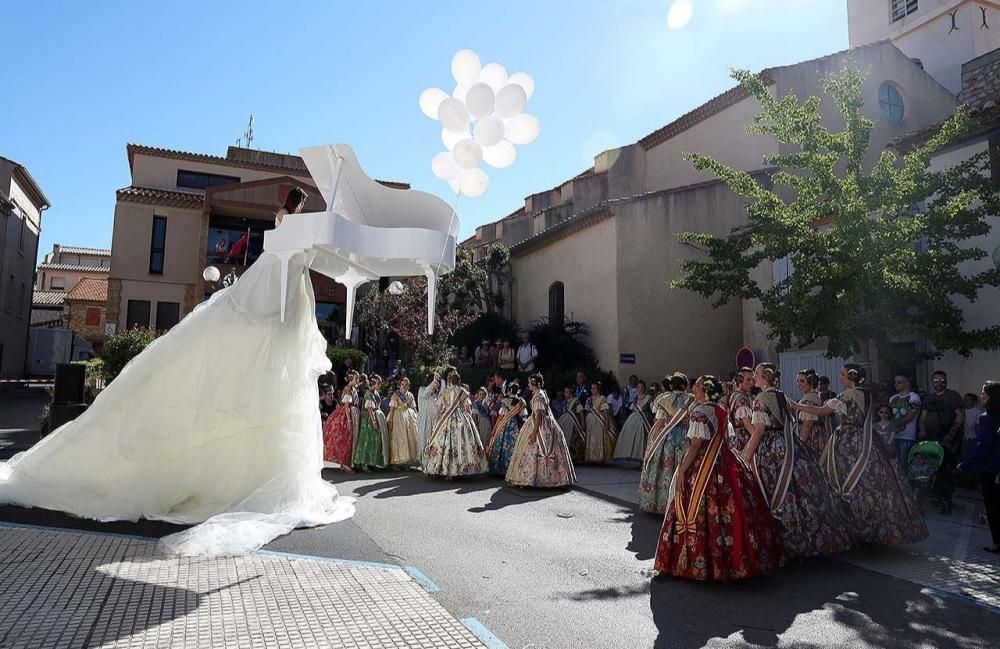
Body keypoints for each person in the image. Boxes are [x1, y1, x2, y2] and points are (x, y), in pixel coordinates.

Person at [653, 375, 783, 581]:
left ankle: (698, 561)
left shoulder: (698, 412)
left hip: (703, 465)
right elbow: (727, 438)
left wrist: (681, 470)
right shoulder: (720, 410)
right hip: (724, 461)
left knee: (699, 509)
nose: (693, 389)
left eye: (696, 387)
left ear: (705, 391)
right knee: (732, 508)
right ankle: (733, 561)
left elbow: (695, 446)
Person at [790, 364, 928, 546]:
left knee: (841, 480)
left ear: (851, 377)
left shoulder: (848, 395)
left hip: (848, 441)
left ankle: (849, 528)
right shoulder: (868, 394)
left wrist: (793, 404)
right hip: (868, 439)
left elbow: (823, 411)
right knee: (871, 483)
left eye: (843, 374)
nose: (840, 377)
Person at [743, 363, 853, 558]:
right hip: (788, 444)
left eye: (757, 374)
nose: (755, 378)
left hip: (769, 449)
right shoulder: (782, 396)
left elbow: (759, 431)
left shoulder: (761, 399)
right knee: (795, 491)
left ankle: (779, 540)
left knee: (773, 490)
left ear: (765, 377)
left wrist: (745, 456)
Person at [506, 374, 577, 488]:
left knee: (535, 449)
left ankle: (536, 478)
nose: (528, 384)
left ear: (534, 383)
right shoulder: (541, 393)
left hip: (539, 425)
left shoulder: (539, 395)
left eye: (529, 382)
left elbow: (538, 415)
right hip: (543, 423)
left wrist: (534, 433)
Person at [639, 374, 693, 514]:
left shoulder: (664, 400)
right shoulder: (691, 400)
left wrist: (652, 442)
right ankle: (683, 503)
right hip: (686, 436)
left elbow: (660, 423)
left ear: (671, 386)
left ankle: (662, 503)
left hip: (667, 437)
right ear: (685, 385)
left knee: (664, 469)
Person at [958, 381, 1000, 554]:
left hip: (991, 470)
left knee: (993, 507)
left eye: (984, 393)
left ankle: (997, 543)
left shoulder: (986, 418)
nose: (981, 396)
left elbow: (983, 444)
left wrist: (966, 464)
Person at [422, 371, 488, 477]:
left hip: (447, 418)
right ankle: (463, 468)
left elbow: (438, 410)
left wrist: (439, 417)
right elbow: (468, 408)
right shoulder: (463, 392)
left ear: (450, 380)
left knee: (445, 443)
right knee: (463, 441)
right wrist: (470, 421)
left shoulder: (444, 392)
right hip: (462, 418)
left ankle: (444, 468)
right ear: (459, 381)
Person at [919, 370, 964, 515]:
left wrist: (951, 434)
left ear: (946, 381)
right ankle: (937, 496)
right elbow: (923, 417)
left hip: (948, 440)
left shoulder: (953, 395)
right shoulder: (928, 398)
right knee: (933, 468)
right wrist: (922, 430)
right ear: (932, 382)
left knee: (944, 469)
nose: (939, 383)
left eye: (942, 380)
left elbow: (960, 415)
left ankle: (947, 499)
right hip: (931, 439)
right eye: (936, 380)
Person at [486, 382, 527, 475]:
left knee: (501, 445)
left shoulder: (505, 401)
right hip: (515, 426)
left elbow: (500, 417)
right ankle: (512, 468)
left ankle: (500, 468)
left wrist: (495, 429)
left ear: (510, 390)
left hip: (505, 424)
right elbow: (523, 416)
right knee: (514, 445)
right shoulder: (521, 402)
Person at [324, 371, 359, 471]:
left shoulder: (352, 389)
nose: (357, 380)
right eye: (356, 378)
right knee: (346, 438)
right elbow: (347, 405)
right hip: (345, 414)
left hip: (350, 412)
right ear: (351, 379)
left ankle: (346, 463)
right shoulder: (348, 389)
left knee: (348, 439)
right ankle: (344, 463)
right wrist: (348, 420)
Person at [614, 380, 652, 462]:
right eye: (639, 387)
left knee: (643, 438)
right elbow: (631, 408)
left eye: (642, 388)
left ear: (644, 388)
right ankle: (637, 457)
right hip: (634, 419)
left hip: (644, 419)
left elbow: (652, 409)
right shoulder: (635, 398)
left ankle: (644, 459)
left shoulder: (648, 398)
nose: (640, 389)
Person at [386, 377, 420, 469]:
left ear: (408, 386)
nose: (404, 386)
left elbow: (414, 407)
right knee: (399, 438)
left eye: (406, 384)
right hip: (398, 417)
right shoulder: (396, 395)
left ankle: (406, 461)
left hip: (409, 418)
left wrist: (417, 417)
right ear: (399, 385)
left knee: (409, 438)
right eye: (402, 384)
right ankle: (396, 462)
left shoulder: (410, 395)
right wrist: (390, 420)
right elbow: (392, 409)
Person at [890, 375, 921, 471]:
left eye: (899, 382)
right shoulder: (892, 398)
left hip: (907, 436)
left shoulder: (914, 397)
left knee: (904, 463)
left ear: (907, 383)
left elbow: (910, 416)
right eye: (895, 382)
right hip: (893, 436)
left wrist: (893, 425)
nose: (896, 384)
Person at [794, 369, 829, 455]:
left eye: (802, 381)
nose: (799, 384)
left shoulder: (809, 400)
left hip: (811, 439)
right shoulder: (813, 396)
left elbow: (807, 424)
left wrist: (799, 445)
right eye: (797, 381)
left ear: (811, 382)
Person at [583, 382, 616, 463]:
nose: (592, 390)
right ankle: (591, 458)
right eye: (591, 388)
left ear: (598, 389)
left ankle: (600, 458)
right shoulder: (589, 399)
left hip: (599, 422)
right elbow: (586, 411)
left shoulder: (602, 398)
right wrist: (585, 421)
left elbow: (605, 410)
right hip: (590, 422)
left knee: (599, 439)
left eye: (594, 388)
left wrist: (607, 421)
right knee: (591, 439)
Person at [727, 368, 754, 452]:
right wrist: (758, 439)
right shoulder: (741, 398)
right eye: (748, 380)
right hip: (742, 440)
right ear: (740, 380)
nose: (751, 383)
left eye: (752, 379)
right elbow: (747, 424)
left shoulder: (736, 394)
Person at [558, 386, 587, 462]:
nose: (565, 394)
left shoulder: (576, 401)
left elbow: (581, 412)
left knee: (573, 441)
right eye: (565, 392)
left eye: (567, 392)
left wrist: (583, 423)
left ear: (571, 393)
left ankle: (574, 458)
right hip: (566, 424)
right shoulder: (565, 402)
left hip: (574, 424)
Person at [416, 372, 440, 460]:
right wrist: (434, 382)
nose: (437, 384)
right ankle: (423, 461)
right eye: (435, 382)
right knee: (424, 440)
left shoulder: (435, 395)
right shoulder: (422, 389)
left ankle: (430, 463)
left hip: (433, 420)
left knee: (432, 441)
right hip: (424, 420)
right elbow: (426, 393)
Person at [962, 392, 985, 464]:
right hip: (964, 440)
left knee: (975, 461)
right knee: (964, 460)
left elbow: (978, 429)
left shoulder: (978, 413)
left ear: (974, 402)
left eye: (968, 400)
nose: (965, 401)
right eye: (965, 399)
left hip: (974, 440)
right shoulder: (961, 412)